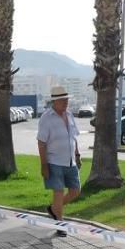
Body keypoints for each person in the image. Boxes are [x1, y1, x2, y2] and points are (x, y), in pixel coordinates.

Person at [36, 86, 81, 238]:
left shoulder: (69, 115)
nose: (66, 102)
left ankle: (54, 209)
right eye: (63, 100)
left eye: (67, 99)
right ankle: (60, 224)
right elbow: (41, 143)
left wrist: (77, 155)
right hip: (54, 161)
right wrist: (44, 165)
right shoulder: (46, 118)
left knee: (75, 191)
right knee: (59, 192)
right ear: (55, 101)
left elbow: (73, 137)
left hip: (70, 161)